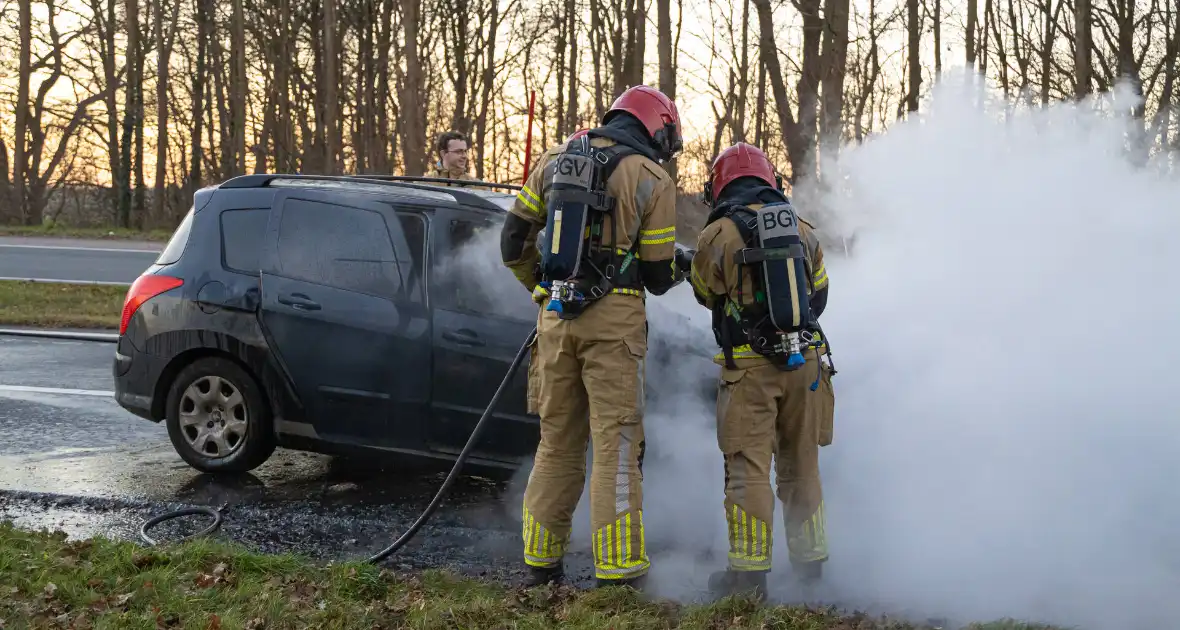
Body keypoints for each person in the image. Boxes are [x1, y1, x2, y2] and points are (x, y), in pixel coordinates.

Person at [499, 86, 688, 590]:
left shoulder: (552, 161)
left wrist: (542, 286)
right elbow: (655, 274)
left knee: (556, 443)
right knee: (617, 446)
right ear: (656, 126)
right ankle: (619, 573)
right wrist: (680, 268)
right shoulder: (651, 178)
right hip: (615, 326)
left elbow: (511, 241)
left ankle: (540, 565)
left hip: (555, 324)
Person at [688, 142, 833, 600]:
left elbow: (703, 292)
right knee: (801, 463)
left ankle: (748, 576)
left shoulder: (720, 234)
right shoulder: (804, 230)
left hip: (750, 367)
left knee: (749, 466)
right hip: (805, 362)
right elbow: (821, 296)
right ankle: (810, 568)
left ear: (722, 185)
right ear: (771, 180)